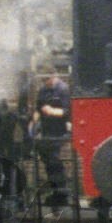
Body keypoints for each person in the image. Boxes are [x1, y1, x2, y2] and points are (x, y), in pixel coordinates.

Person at [32, 75, 71, 207]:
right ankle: (56, 192)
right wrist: (33, 122)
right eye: (43, 80)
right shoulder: (43, 90)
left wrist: (51, 111)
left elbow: (67, 112)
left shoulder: (63, 89)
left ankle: (62, 193)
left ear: (53, 77)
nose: (45, 83)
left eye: (47, 80)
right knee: (47, 160)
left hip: (59, 131)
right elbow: (38, 109)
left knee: (54, 160)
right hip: (46, 131)